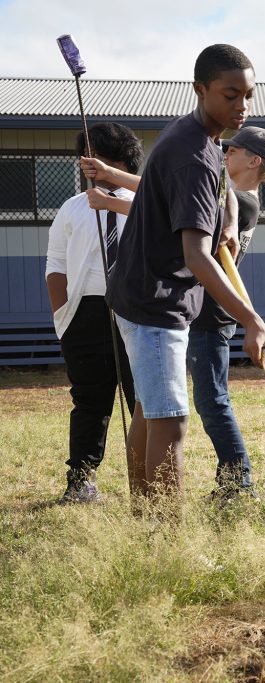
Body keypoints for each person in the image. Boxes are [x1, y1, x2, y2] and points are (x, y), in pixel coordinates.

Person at [105, 44, 265, 502]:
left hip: (136, 290)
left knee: (149, 408)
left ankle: (145, 523)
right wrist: (250, 318)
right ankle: (165, 534)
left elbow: (207, 194)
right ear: (200, 89)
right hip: (154, 301)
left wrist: (226, 215)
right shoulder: (194, 156)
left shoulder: (199, 139)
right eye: (230, 95)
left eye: (249, 95)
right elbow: (198, 257)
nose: (241, 106)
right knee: (171, 419)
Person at [45, 122, 141, 503]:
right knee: (90, 400)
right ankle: (80, 480)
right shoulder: (72, 207)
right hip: (84, 313)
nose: (87, 162)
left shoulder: (147, 201)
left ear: (118, 159)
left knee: (144, 399)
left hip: (137, 309)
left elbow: (165, 213)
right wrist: (62, 315)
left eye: (95, 154)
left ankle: (154, 480)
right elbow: (55, 263)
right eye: (84, 155)